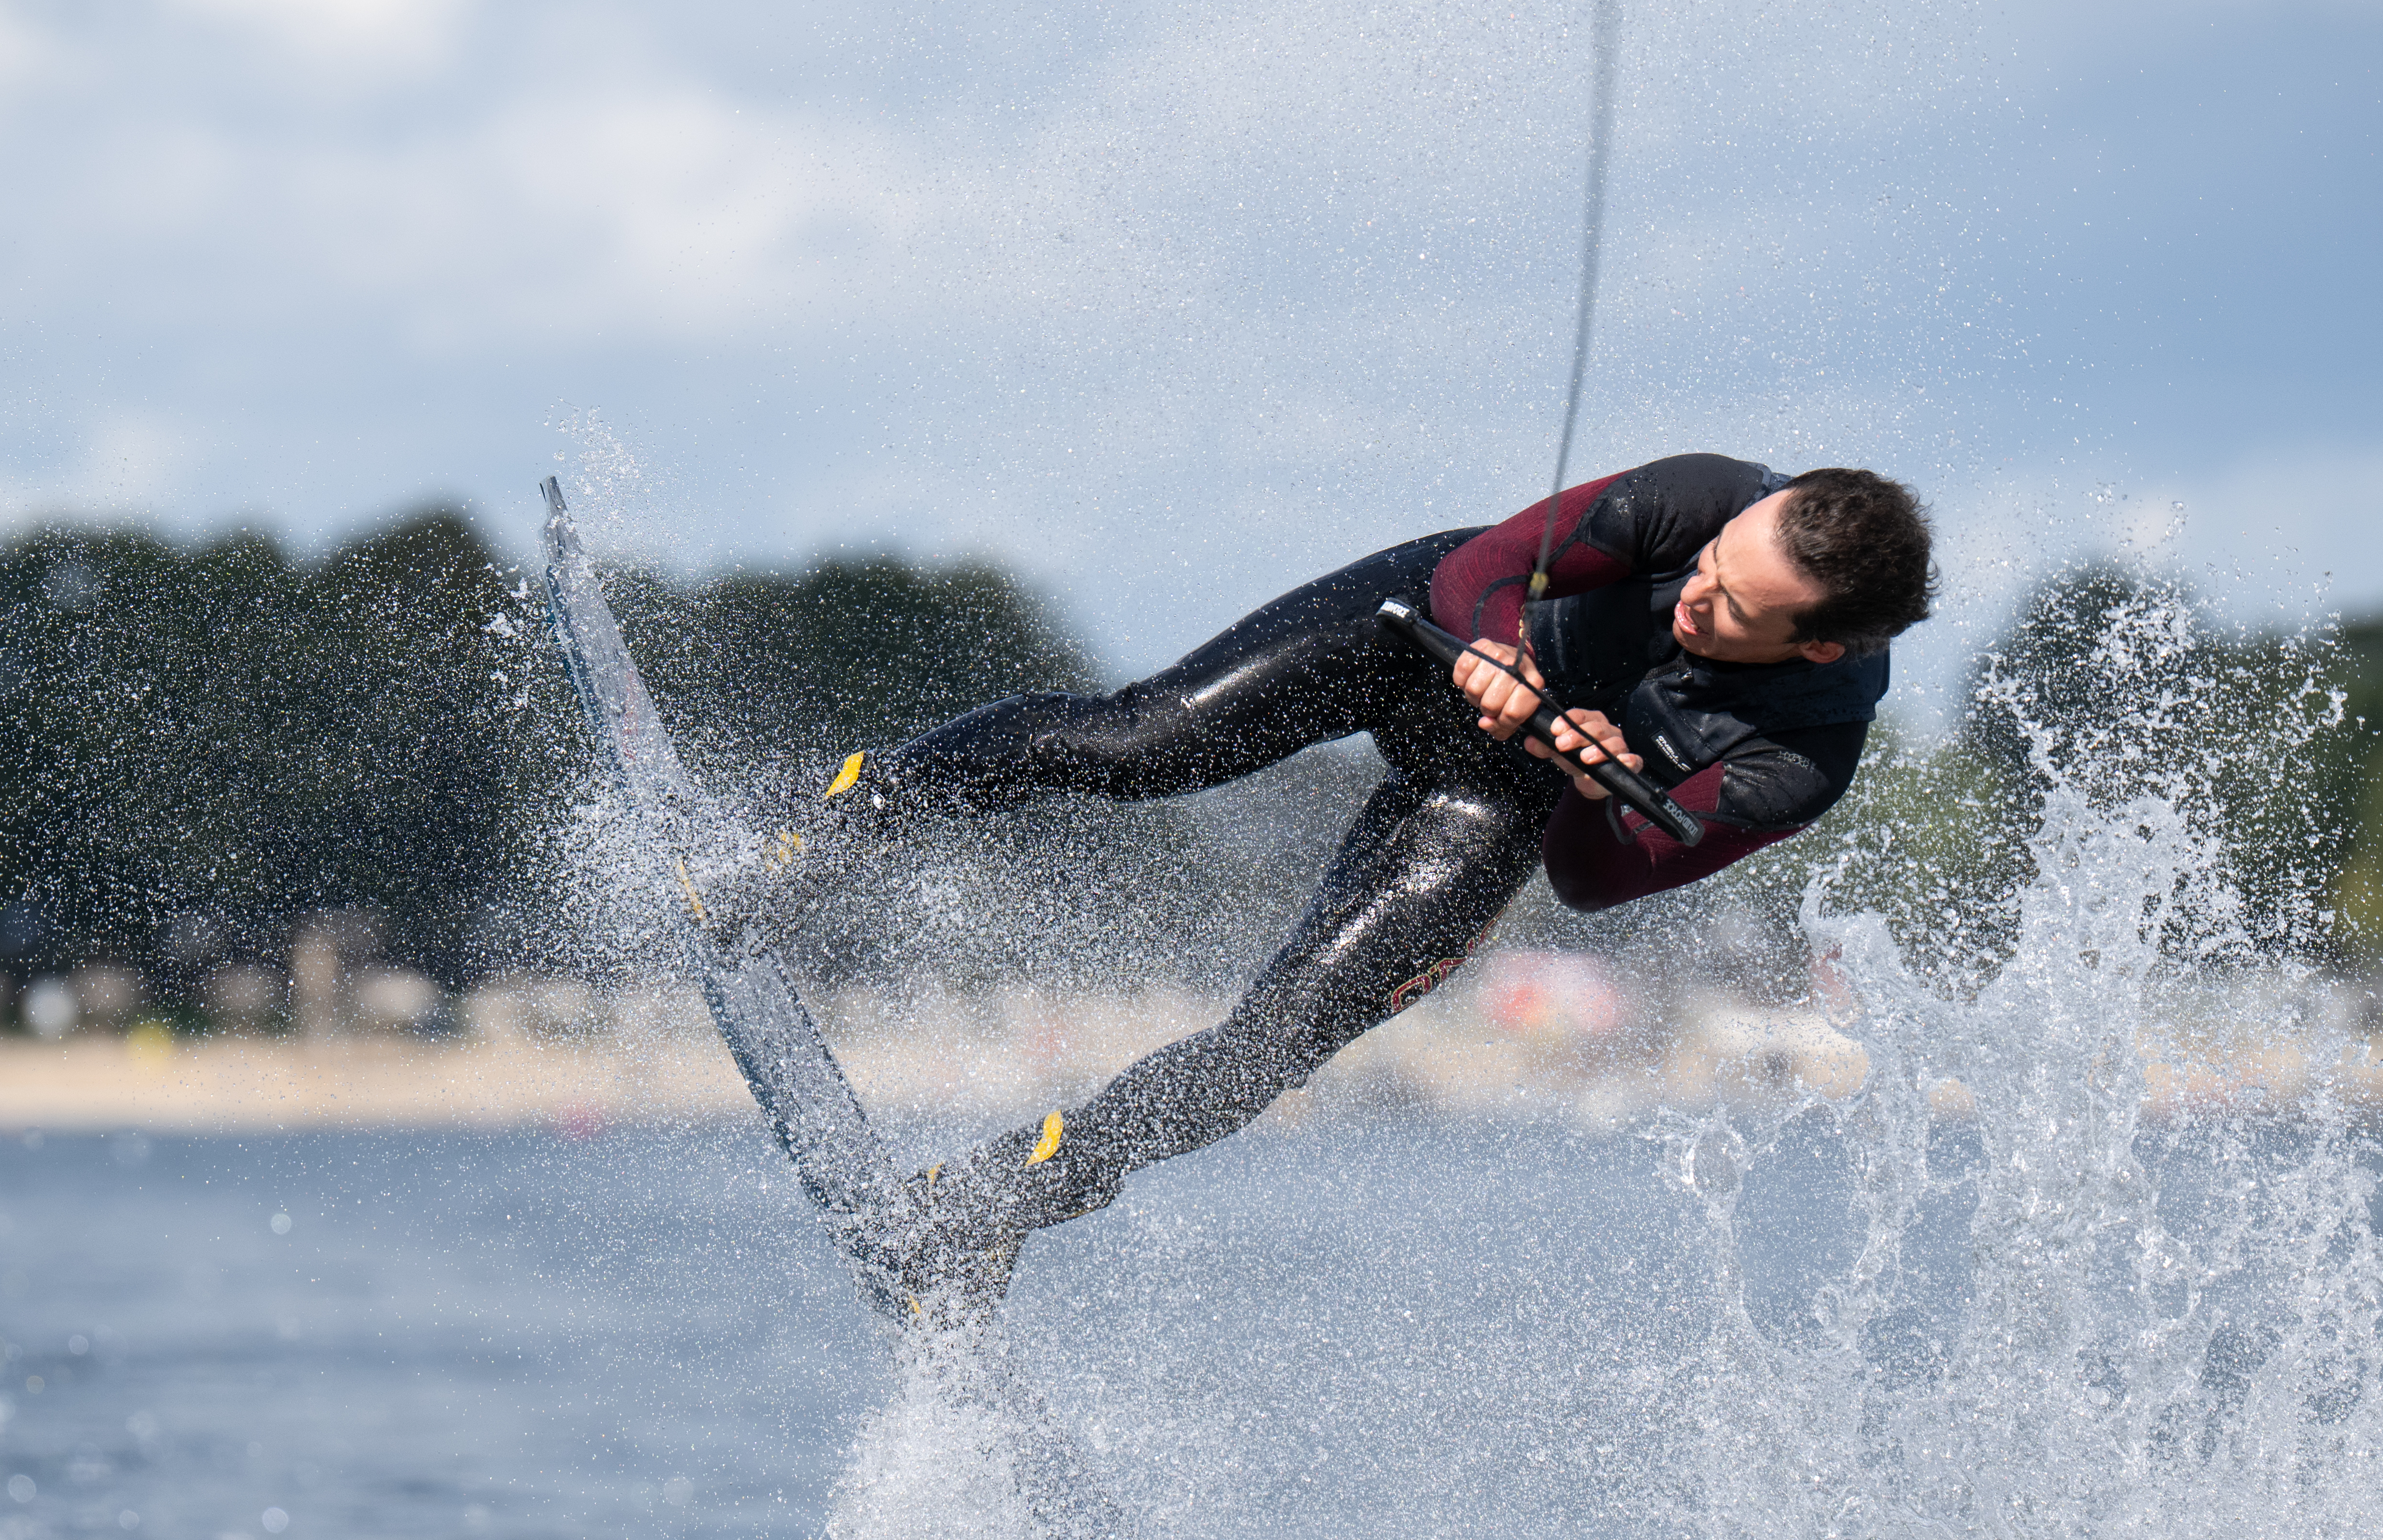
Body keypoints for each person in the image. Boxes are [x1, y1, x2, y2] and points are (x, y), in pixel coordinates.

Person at [727, 453, 1934, 1311]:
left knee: (1277, 1046)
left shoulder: (1794, 764)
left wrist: (1584, 775)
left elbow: (1587, 884)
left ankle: (984, 1211)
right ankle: (821, 822)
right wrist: (1505, 654)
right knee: (1138, 746)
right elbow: (1484, 567)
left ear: (1820, 646)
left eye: (1729, 612)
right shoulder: (1706, 496)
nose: (1694, 599)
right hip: (1414, 637)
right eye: (1709, 567)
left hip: (1500, 794)